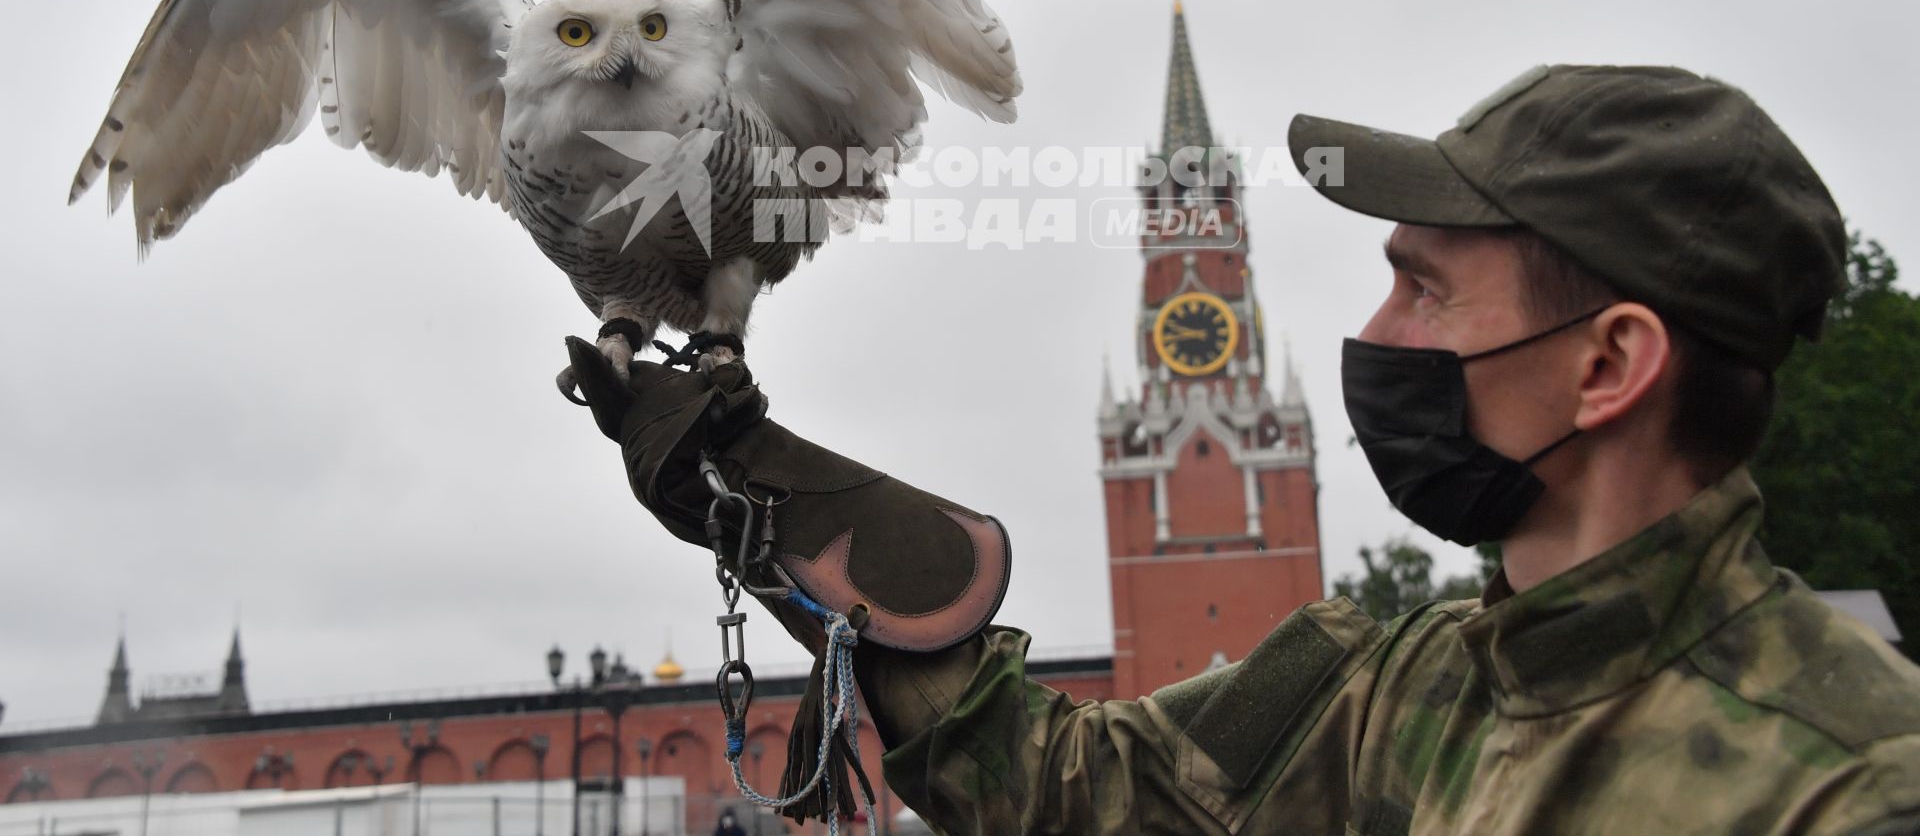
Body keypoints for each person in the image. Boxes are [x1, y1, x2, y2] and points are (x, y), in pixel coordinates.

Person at [571, 64, 1920, 834]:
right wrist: (770, 498)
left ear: (1612, 363)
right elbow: (1065, 796)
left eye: (1429, 291)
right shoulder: (1385, 686)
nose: (1377, 332)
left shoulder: (1850, 783)